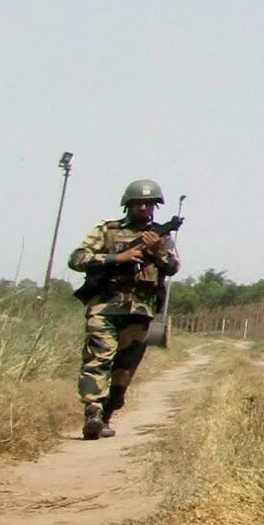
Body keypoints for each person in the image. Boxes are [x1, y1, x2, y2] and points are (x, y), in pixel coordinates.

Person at [68, 179, 179, 441]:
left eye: (149, 204)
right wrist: (116, 259)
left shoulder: (161, 237)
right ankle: (92, 413)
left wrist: (156, 249)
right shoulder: (107, 231)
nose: (143, 208)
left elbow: (173, 267)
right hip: (104, 307)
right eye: (138, 203)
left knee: (124, 369)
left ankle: (107, 414)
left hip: (139, 312)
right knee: (98, 359)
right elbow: (76, 258)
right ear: (127, 205)